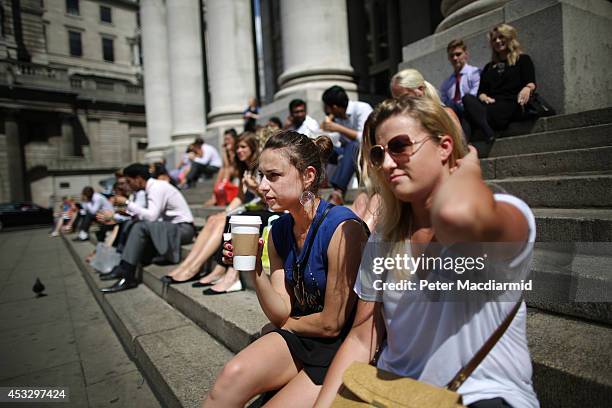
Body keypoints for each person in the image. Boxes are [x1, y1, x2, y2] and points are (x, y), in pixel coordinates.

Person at [314, 96, 539, 408]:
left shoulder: (507, 213)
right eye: (379, 153)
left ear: (444, 147)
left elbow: (456, 218)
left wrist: (467, 169)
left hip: (477, 396)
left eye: (400, 146)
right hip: (392, 395)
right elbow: (361, 338)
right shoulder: (385, 237)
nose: (388, 163)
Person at [203, 130, 369, 407]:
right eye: (261, 176)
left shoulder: (342, 227)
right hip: (300, 336)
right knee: (229, 379)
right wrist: (253, 268)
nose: (263, 186)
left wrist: (280, 326)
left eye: (274, 176)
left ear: (308, 176)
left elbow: (331, 324)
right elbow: (281, 309)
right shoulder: (279, 229)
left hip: (340, 348)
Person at [163, 132, 264, 286]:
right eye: (237, 147)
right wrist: (226, 211)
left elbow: (272, 199)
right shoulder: (245, 169)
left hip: (265, 210)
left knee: (223, 220)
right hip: (250, 207)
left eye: (243, 147)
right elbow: (240, 198)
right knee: (213, 219)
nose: (238, 151)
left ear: (253, 148)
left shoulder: (262, 167)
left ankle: (195, 268)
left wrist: (255, 188)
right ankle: (187, 265)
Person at [99, 163, 195, 293]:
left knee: (139, 227)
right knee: (129, 223)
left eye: (129, 181)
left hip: (183, 230)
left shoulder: (156, 187)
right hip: (169, 228)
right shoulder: (150, 188)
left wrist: (127, 203)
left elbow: (151, 217)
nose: (128, 185)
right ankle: (123, 266)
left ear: (138, 179)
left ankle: (128, 275)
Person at [462, 24, 536, 143]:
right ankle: (486, 133)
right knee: (467, 99)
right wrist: (484, 97)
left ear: (509, 38)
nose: (497, 41)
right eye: (494, 39)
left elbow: (531, 82)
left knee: (468, 114)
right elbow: (481, 92)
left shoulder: (522, 59)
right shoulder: (489, 67)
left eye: (501, 37)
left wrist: (527, 88)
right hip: (492, 105)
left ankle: (467, 144)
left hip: (512, 104)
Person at [320, 85, 373, 205]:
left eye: (328, 108)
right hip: (347, 152)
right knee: (323, 148)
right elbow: (340, 143)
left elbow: (365, 138)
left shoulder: (362, 108)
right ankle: (320, 184)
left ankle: (338, 191)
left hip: (365, 151)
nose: (328, 111)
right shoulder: (337, 117)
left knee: (353, 146)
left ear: (334, 107)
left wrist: (339, 128)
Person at [390, 68, 463, 133]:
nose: (400, 103)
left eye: (404, 97)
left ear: (420, 89)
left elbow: (460, 145)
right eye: (397, 100)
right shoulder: (401, 123)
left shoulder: (446, 114)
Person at [440, 39, 481, 116]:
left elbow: (474, 96)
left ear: (466, 54)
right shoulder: (446, 84)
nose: (455, 58)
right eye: (451, 56)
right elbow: (443, 103)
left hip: (471, 112)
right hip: (454, 115)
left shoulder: (475, 73)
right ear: (448, 58)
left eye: (458, 54)